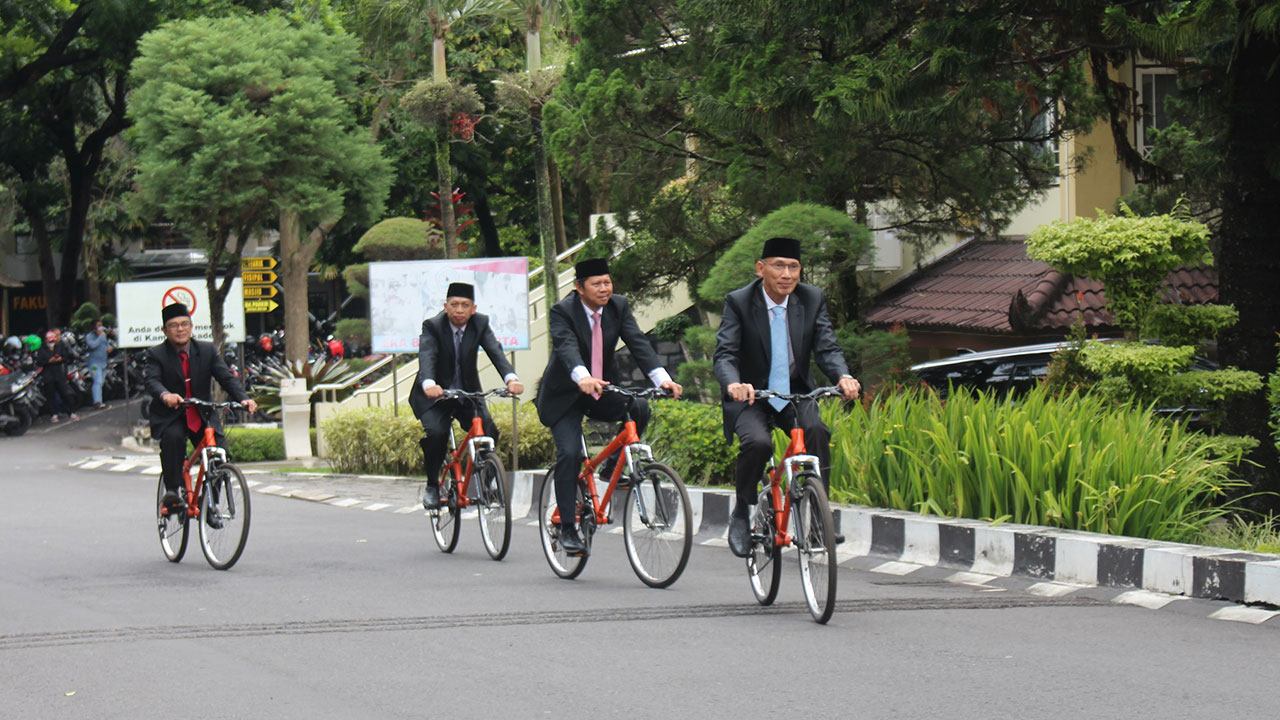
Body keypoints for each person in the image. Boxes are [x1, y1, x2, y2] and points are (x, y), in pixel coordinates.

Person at [713, 237, 861, 558]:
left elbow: (827, 347)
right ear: (760, 268)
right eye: (779, 265)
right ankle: (742, 508)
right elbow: (725, 354)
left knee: (817, 432)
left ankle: (820, 517)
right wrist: (734, 383)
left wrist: (843, 376)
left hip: (794, 393)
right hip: (751, 395)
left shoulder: (811, 299)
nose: (787, 274)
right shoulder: (739, 302)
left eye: (794, 267)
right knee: (758, 444)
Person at [535, 257, 683, 557]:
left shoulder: (618, 306)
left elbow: (638, 342)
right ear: (579, 288)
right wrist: (583, 376)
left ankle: (612, 466)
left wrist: (662, 378)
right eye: (596, 284)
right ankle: (566, 528)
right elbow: (566, 347)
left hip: (601, 389)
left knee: (639, 407)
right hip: (565, 395)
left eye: (607, 282)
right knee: (570, 453)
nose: (604, 289)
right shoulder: (562, 311)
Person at [408, 282, 524, 509]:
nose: (459, 310)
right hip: (436, 397)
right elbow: (428, 354)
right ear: (445, 306)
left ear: (473, 308)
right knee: (437, 434)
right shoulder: (433, 326)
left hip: (467, 394)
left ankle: (488, 482)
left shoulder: (480, 323)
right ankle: (432, 485)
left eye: (465, 305)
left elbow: (495, 350)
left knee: (489, 431)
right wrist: (429, 383)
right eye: (454, 305)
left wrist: (511, 378)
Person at [142, 303, 257, 510]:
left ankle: (209, 506)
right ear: (164, 330)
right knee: (174, 439)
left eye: (184, 324)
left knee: (220, 455)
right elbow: (152, 381)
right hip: (172, 415)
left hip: (201, 413)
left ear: (191, 326)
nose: (180, 329)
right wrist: (165, 394)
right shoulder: (156, 354)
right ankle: (173, 491)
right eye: (174, 325)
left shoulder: (206, 350)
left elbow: (226, 377)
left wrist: (243, 398)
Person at [36, 328, 79, 423]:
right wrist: (48, 361)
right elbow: (39, 361)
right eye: (50, 340)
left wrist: (61, 359)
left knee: (66, 393)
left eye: (53, 340)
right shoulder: (42, 349)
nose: (52, 342)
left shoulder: (60, 346)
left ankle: (71, 412)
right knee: (50, 395)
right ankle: (53, 414)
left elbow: (67, 357)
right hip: (48, 375)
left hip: (59, 373)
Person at [84, 320, 111, 409]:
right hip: (94, 364)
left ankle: (100, 401)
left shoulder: (103, 335)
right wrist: (100, 336)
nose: (101, 327)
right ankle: (97, 402)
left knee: (101, 382)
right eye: (98, 325)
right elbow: (92, 345)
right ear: (94, 327)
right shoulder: (90, 336)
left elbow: (106, 344)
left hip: (103, 362)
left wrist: (109, 348)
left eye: (101, 325)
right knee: (97, 381)